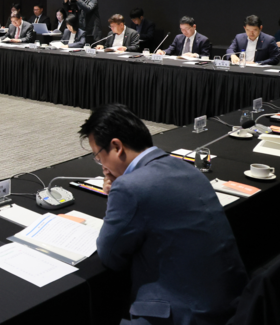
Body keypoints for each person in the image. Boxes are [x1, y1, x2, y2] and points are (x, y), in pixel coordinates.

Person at [80, 103, 247, 325]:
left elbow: (111, 256)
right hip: (233, 305)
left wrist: (117, 192)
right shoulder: (186, 168)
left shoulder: (129, 188)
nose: (101, 164)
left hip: (184, 315)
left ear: (117, 146)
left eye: (98, 156)